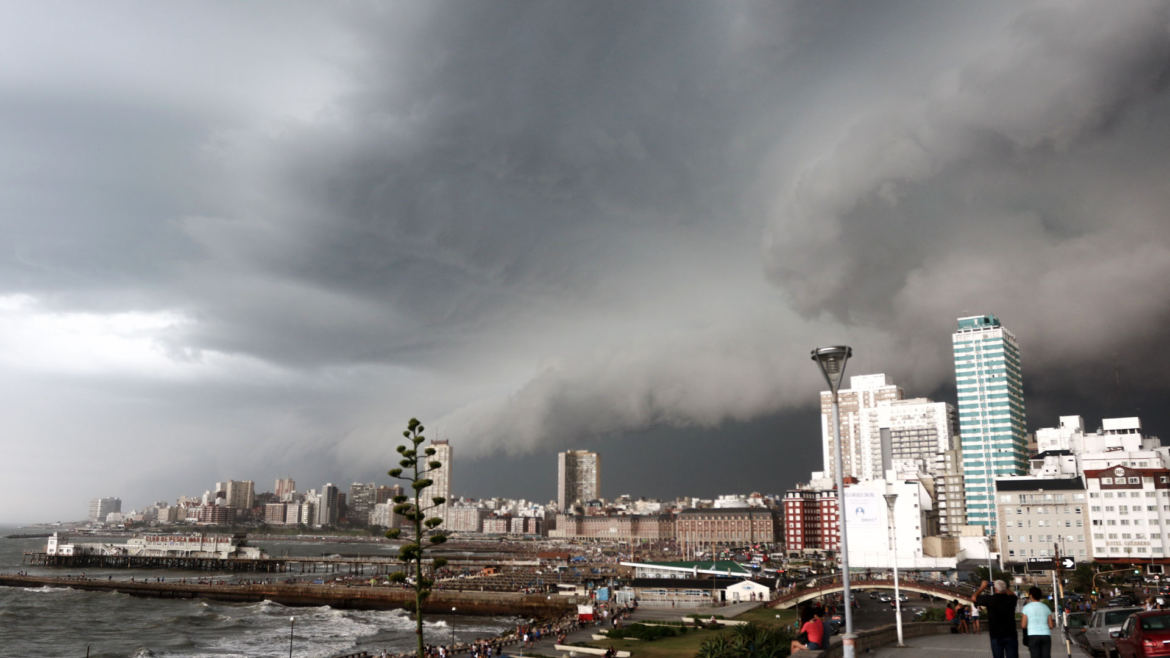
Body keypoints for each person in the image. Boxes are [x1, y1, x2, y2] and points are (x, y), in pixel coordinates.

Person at [974, 579, 1020, 658]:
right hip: (1010, 633)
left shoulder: (989, 599)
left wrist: (982, 588)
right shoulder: (1011, 599)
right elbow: (1013, 595)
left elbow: (974, 598)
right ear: (1005, 588)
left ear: (995, 589)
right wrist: (1004, 587)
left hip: (996, 634)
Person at [1021, 586, 1054, 658]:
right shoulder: (1046, 607)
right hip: (1046, 635)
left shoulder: (1026, 607)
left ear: (1031, 595)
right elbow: (1051, 626)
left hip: (1033, 635)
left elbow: (1023, 625)